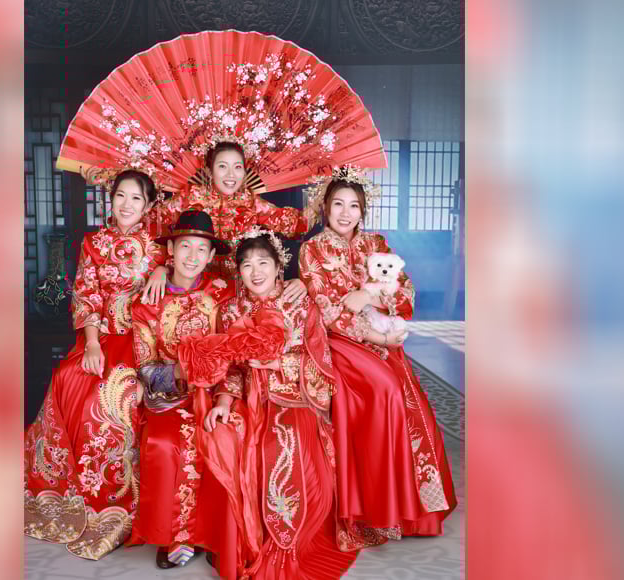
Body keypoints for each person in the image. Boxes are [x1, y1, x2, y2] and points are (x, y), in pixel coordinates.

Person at [183, 229, 359, 579]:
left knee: (280, 447)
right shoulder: (231, 310)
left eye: (263, 262)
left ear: (279, 267)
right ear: (238, 271)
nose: (255, 271)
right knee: (222, 437)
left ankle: (284, 544)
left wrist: (279, 364)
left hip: (293, 400)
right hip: (247, 400)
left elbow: (321, 365)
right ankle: (235, 544)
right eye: (247, 265)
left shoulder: (302, 305)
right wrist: (223, 400)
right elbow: (230, 367)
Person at [299, 166, 457, 546]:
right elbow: (326, 310)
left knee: (413, 402)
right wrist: (376, 336)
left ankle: (409, 511)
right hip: (338, 342)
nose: (345, 213)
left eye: (354, 205)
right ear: (324, 206)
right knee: (385, 388)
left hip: (381, 340)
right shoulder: (312, 250)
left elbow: (405, 291)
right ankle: (376, 510)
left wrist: (369, 295)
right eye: (338, 204)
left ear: (363, 210)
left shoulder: (376, 244)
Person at [24, 168, 166, 560]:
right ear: (111, 198)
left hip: (143, 341)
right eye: (121, 196)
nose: (126, 205)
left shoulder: (160, 248)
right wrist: (90, 343)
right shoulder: (94, 242)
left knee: (110, 398)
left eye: (136, 198)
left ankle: (114, 503)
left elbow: (182, 281)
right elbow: (86, 295)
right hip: (101, 336)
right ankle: (68, 493)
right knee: (69, 378)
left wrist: (162, 268)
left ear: (148, 206)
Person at [127, 209, 242, 578]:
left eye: (201, 249)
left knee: (229, 436)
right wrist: (182, 371)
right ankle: (176, 537)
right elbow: (145, 367)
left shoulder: (224, 295)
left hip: (218, 392)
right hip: (171, 396)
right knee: (165, 443)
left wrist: (224, 396)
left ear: (212, 256)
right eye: (185, 247)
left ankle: (218, 536)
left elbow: (236, 351)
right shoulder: (147, 303)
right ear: (171, 251)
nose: (193, 256)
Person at [85, 141, 309, 304]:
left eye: (238, 167)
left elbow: (296, 225)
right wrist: (109, 182)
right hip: (194, 285)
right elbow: (146, 217)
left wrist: (320, 202)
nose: (231, 174)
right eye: (222, 166)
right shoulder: (191, 196)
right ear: (210, 169)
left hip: (240, 288)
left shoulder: (251, 202)